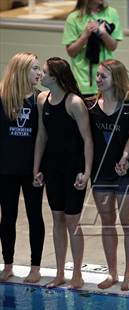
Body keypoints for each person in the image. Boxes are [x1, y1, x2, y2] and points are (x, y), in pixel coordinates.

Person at [33, 57, 93, 289]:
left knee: (72, 221)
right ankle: (60, 273)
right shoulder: (42, 100)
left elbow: (87, 140)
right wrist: (36, 168)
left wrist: (86, 172)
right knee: (57, 219)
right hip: (52, 167)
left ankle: (77, 273)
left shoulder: (74, 102)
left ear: (56, 77)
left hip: (73, 168)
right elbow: (42, 136)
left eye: (45, 72)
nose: (41, 75)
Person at [87, 59, 129, 291]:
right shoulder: (91, 106)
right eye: (98, 75)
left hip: (124, 172)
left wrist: (126, 157)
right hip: (101, 173)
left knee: (128, 223)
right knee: (107, 224)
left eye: (103, 76)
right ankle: (112, 273)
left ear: (115, 79)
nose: (98, 79)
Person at [0, 52, 44, 283]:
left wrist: (40, 167)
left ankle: (35, 267)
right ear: (21, 71)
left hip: (32, 170)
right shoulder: (3, 98)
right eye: (35, 69)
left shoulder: (39, 100)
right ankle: (8, 265)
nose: (40, 73)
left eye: (40, 69)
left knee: (35, 215)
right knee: (7, 217)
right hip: (6, 169)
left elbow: (43, 138)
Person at [63, 0, 123, 97]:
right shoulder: (74, 18)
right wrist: (85, 35)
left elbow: (113, 46)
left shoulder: (111, 13)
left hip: (107, 78)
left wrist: (103, 33)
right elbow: (71, 52)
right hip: (83, 79)